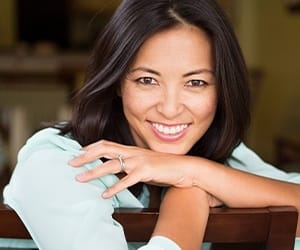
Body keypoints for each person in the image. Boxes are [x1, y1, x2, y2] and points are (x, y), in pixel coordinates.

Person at [2, 0, 300, 249]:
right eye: (147, 80)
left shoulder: (218, 159)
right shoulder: (57, 164)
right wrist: (191, 194)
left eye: (196, 82)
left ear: (221, 89)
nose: (170, 109)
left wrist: (193, 172)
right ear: (118, 81)